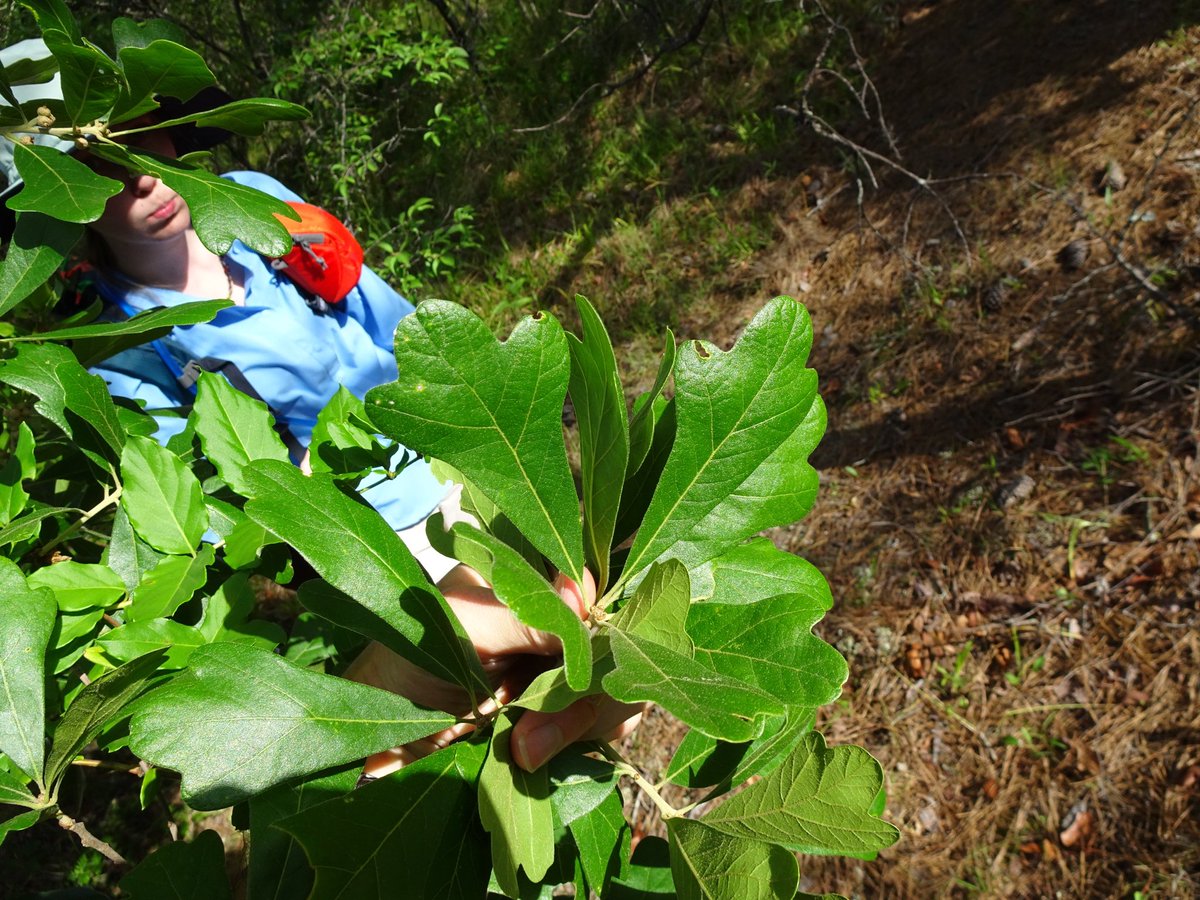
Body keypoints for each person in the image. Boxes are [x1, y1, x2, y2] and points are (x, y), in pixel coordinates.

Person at [62, 119, 641, 775]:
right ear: (62, 195)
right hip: (377, 530)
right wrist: (291, 484)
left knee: (590, 635)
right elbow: (191, 492)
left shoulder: (255, 199)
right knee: (497, 692)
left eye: (137, 138)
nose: (140, 175)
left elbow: (377, 306)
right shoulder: (122, 348)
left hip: (455, 450)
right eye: (94, 167)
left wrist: (459, 399)